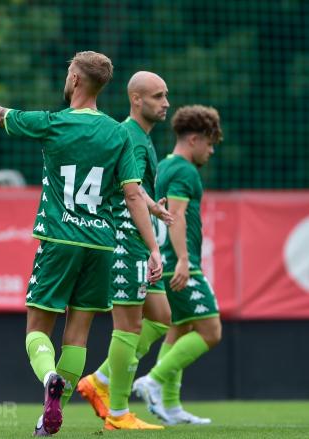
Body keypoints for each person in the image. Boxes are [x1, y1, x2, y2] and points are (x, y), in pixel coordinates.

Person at [0, 33, 162, 436]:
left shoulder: (53, 123)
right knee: (79, 336)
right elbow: (132, 194)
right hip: (101, 245)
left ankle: (48, 380)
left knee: (37, 330)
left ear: (74, 78)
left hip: (60, 240)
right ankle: (48, 419)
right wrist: (154, 249)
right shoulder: (119, 134)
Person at [76, 71, 173, 430]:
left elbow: (137, 188)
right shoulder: (129, 134)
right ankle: (118, 413)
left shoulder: (141, 137)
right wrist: (150, 217)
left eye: (165, 96)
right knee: (129, 325)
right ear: (137, 100)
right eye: (158, 96)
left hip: (138, 234)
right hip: (124, 236)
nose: (166, 103)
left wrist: (152, 205)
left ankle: (100, 379)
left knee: (160, 315)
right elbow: (128, 187)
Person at [132, 105, 223, 426]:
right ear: (195, 139)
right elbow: (178, 215)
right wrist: (185, 259)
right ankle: (152, 380)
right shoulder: (185, 171)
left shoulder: (166, 166)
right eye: (210, 143)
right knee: (211, 331)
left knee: (179, 328)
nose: (211, 151)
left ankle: (169, 406)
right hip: (181, 262)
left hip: (165, 261)